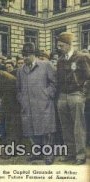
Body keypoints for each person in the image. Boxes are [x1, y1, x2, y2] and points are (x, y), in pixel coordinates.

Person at [17, 42, 57, 165]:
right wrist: (22, 100)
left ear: (34, 55)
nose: (24, 58)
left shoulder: (46, 65)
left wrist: (47, 94)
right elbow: (18, 89)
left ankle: (49, 154)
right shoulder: (20, 70)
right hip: (28, 106)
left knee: (47, 131)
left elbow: (54, 83)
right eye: (23, 55)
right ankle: (37, 153)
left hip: (43, 104)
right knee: (31, 130)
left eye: (27, 55)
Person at [56, 32, 90, 165]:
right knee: (65, 126)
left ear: (69, 44)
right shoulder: (60, 60)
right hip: (62, 96)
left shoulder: (81, 58)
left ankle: (80, 155)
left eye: (61, 45)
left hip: (76, 95)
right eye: (58, 45)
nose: (59, 48)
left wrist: (84, 94)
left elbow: (88, 77)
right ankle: (70, 153)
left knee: (78, 127)